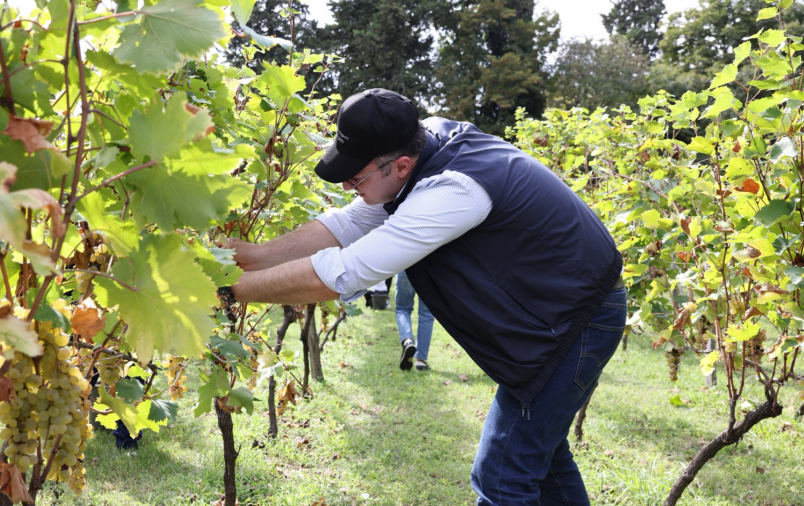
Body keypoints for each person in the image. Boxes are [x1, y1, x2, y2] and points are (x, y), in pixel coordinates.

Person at [223, 88, 626, 505]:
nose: (346, 185)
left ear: (401, 165)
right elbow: (351, 222)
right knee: (543, 460)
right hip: (563, 309)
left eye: (355, 178)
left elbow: (346, 272)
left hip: (576, 320)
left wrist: (233, 289)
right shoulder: (422, 145)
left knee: (502, 474)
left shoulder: (456, 189)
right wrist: (255, 257)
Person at [394, 270, 434, 371]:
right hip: (429, 269)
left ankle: (407, 341)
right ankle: (420, 361)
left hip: (405, 267)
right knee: (426, 315)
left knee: (402, 308)